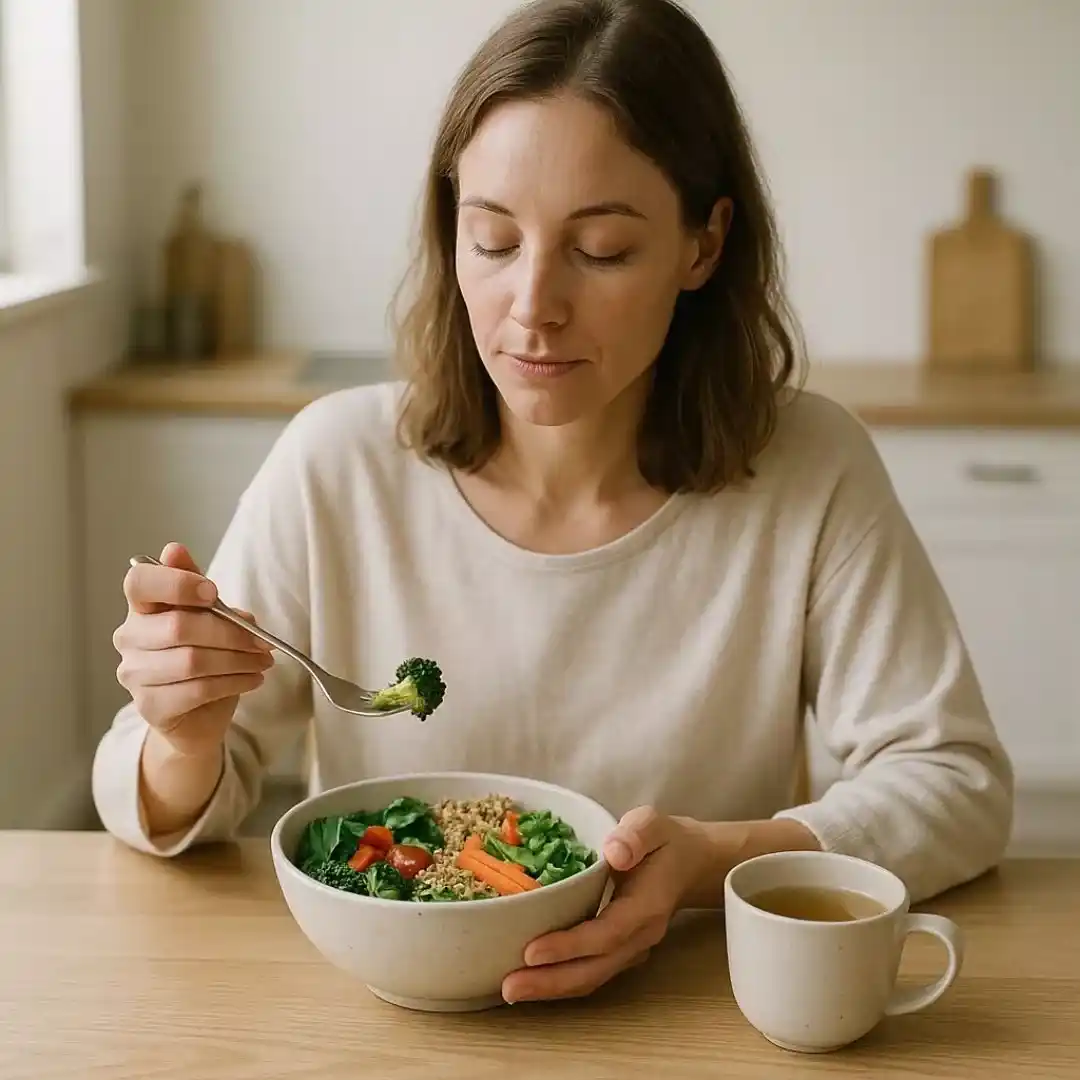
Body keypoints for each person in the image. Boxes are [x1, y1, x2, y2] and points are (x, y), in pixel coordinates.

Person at [92, 0, 1013, 1004]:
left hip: (690, 1015)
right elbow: (153, 795)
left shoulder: (809, 467)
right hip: (387, 1024)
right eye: (491, 240)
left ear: (703, 245)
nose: (533, 307)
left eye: (603, 250)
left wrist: (713, 860)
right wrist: (183, 736)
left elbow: (956, 783)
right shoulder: (338, 463)